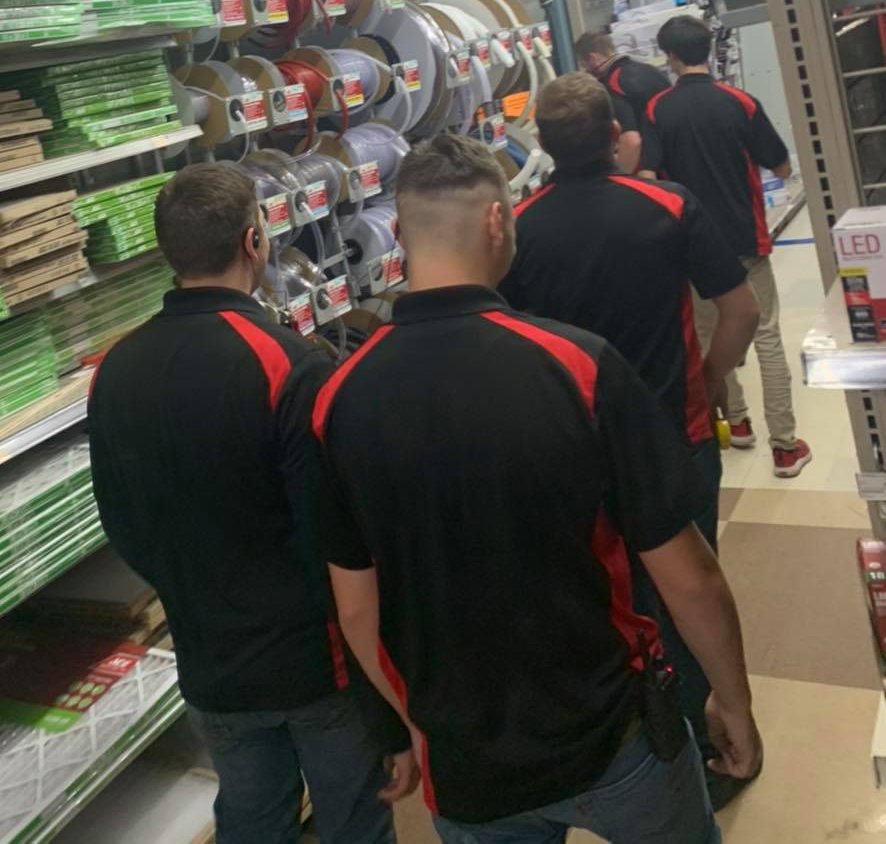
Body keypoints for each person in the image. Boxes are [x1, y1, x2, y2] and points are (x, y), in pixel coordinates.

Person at [314, 134, 763, 844]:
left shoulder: (338, 399)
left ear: (397, 232)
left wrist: (415, 725)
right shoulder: (578, 367)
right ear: (497, 221)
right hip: (612, 734)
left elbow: (356, 608)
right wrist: (732, 701)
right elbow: (690, 578)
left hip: (468, 766)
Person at [87, 163, 413, 844]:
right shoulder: (288, 364)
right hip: (313, 666)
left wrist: (196, 594)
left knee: (251, 822)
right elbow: (336, 539)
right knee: (354, 822)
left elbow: (121, 521)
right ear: (254, 242)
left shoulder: (116, 370)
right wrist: (389, 708)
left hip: (210, 662)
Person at [501, 73, 760, 801]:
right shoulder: (669, 206)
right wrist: (711, 376)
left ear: (543, 145)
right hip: (675, 435)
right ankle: (702, 748)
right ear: (616, 137)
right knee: (688, 591)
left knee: (601, 598)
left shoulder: (521, 229)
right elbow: (741, 310)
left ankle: (633, 754)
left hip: (573, 454)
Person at [646, 14, 812, 479]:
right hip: (744, 238)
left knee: (710, 338)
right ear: (707, 49)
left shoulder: (658, 109)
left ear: (670, 57)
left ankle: (735, 423)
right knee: (766, 335)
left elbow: (648, 176)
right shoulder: (740, 101)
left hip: (691, 246)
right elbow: (781, 166)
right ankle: (785, 447)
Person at [577, 28, 670, 174]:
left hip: (652, 169)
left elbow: (631, 141)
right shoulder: (651, 70)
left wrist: (621, 179)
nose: (586, 71)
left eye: (584, 65)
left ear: (592, 59)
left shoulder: (613, 84)